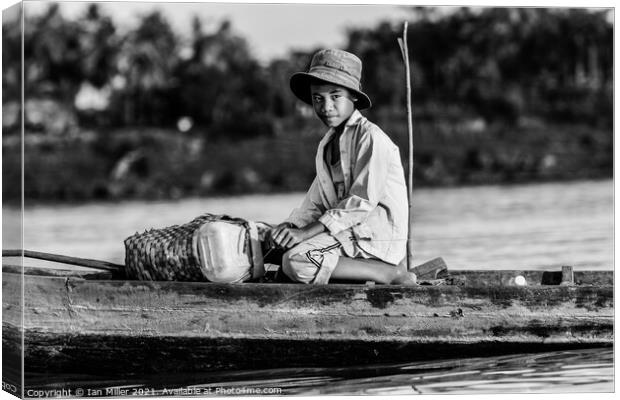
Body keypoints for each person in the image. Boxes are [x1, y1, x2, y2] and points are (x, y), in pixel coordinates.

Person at [270, 49, 416, 285]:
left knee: (296, 259)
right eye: (318, 98)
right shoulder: (327, 145)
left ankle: (391, 273)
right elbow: (315, 203)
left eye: (335, 96)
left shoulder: (371, 138)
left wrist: (306, 234)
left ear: (354, 98)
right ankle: (354, 273)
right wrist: (290, 227)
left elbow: (360, 203)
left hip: (372, 240)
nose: (326, 106)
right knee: (272, 247)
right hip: (347, 236)